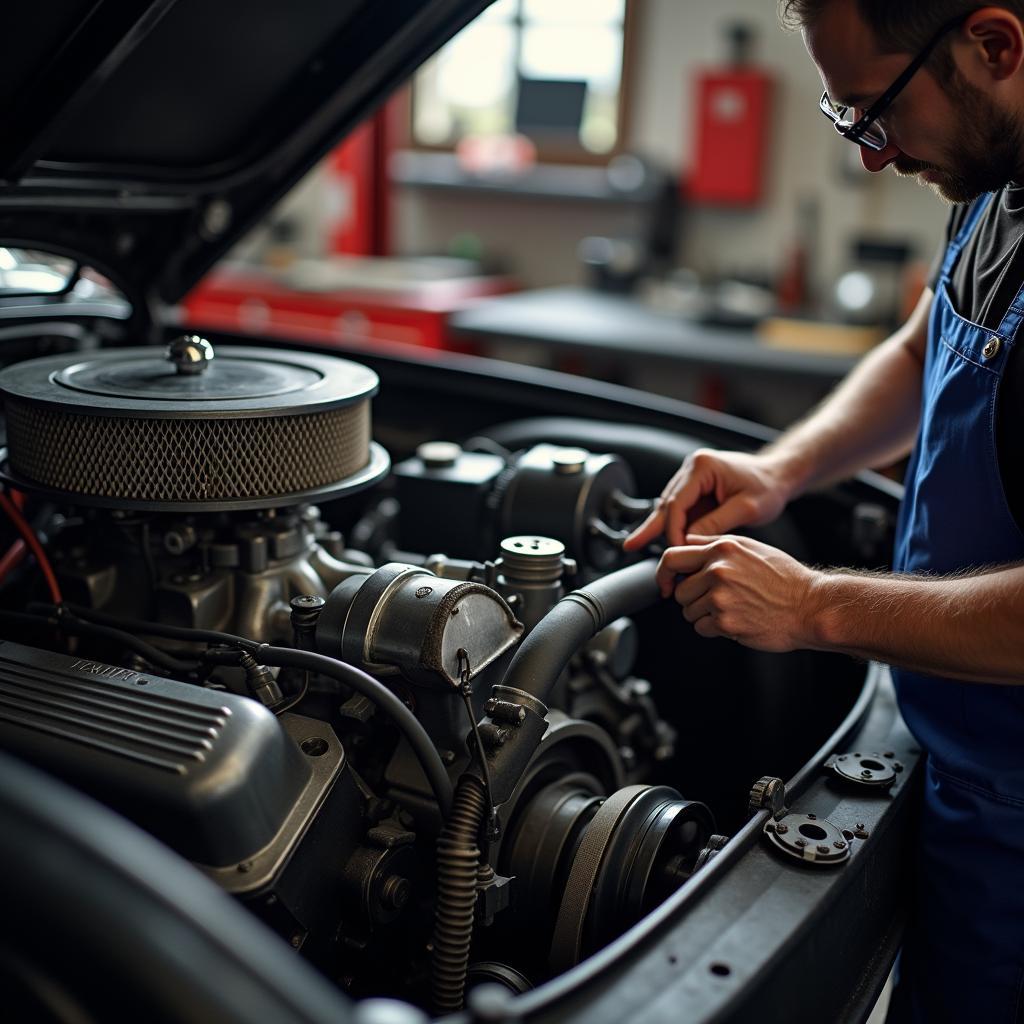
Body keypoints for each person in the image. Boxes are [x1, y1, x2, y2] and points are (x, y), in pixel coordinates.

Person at [623, 2, 1024, 1021]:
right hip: (959, 759)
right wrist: (782, 467)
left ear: (994, 46)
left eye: (873, 112)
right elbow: (925, 342)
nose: (872, 156)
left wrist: (813, 609)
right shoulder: (996, 177)